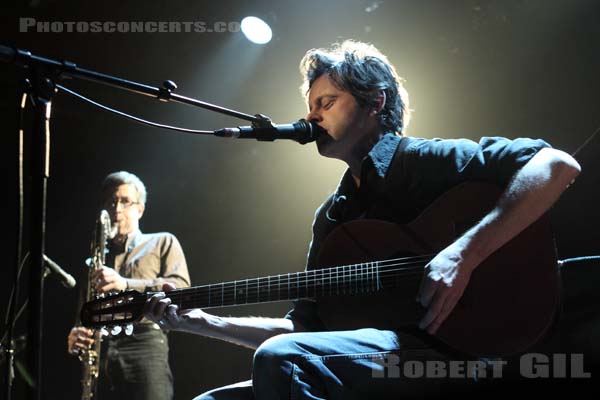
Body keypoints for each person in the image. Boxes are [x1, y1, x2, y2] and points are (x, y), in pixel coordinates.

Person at [144, 41, 581, 399]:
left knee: (282, 360)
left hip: (458, 351)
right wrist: (198, 321)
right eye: (311, 105)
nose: (312, 116)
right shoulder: (333, 215)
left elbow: (556, 164)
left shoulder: (423, 161)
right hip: (378, 360)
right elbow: (306, 328)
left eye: (326, 102)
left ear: (375, 101)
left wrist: (463, 254)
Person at [67, 171, 191, 400]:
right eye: (111, 202)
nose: (117, 209)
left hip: (144, 342)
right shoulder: (96, 259)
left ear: (140, 209)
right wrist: (76, 332)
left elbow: (181, 288)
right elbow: (83, 312)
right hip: (101, 349)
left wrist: (126, 284)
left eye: (125, 202)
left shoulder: (162, 241)